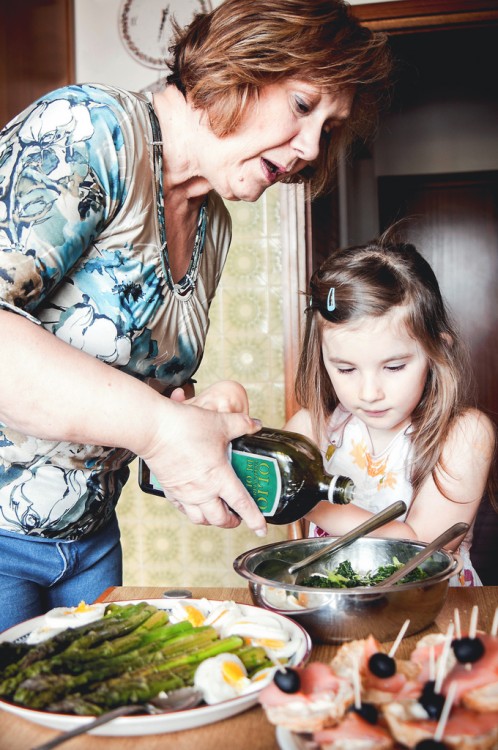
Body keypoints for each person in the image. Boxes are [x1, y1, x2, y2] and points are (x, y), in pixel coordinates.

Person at [0, 0, 392, 630]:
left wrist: (192, 418)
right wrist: (160, 429)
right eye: (302, 105)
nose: (313, 147)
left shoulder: (213, 226)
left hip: (90, 541)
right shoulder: (92, 129)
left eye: (329, 125)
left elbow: (122, 391)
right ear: (243, 63)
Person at [285, 230, 496, 586]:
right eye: (346, 368)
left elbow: (420, 551)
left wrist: (308, 500)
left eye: (394, 367)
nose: (369, 392)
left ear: (435, 351)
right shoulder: (312, 428)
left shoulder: (464, 434)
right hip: (334, 607)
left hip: (435, 611)